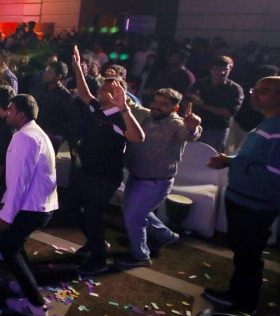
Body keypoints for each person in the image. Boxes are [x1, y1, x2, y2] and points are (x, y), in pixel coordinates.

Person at [203, 76, 280, 314]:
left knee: (249, 258)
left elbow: (273, 174)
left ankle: (243, 306)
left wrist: (236, 165)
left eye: (264, 91)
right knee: (242, 254)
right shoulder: (269, 122)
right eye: (255, 88)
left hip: (256, 205)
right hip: (242, 198)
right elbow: (254, 160)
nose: (255, 94)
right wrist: (229, 161)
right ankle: (235, 295)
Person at [69, 45, 145, 276]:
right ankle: (95, 242)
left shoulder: (121, 118)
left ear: (118, 96)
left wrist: (124, 109)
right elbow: (84, 93)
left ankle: (99, 257)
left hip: (104, 176)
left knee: (93, 214)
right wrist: (77, 68)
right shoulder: (97, 109)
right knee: (72, 207)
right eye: (103, 86)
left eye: (108, 89)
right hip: (86, 169)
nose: (101, 90)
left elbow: (138, 137)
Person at [116, 89, 202, 269]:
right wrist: (115, 84)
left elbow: (189, 135)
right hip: (137, 176)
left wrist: (192, 127)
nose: (157, 106)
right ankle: (166, 236)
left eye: (164, 104)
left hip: (155, 182)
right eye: (155, 101)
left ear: (175, 107)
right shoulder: (148, 115)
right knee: (137, 212)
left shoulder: (177, 124)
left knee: (133, 218)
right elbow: (129, 105)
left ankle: (141, 256)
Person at [0, 95, 59, 316]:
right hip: (38, 204)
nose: (6, 113)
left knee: (8, 248)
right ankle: (27, 284)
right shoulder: (34, 133)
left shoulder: (25, 137)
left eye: (10, 109)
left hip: (32, 207)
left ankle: (36, 305)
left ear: (21, 114)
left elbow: (19, 180)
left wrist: (6, 215)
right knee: (14, 245)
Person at [187, 55, 243, 152]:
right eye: (217, 69)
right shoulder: (200, 83)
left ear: (230, 69)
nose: (221, 72)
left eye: (225, 69)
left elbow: (229, 112)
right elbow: (187, 100)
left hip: (216, 130)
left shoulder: (234, 89)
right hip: (194, 127)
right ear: (211, 69)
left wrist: (202, 105)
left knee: (208, 158)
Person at [30, 61, 80, 153]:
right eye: (46, 71)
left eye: (49, 73)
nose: (46, 74)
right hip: (35, 133)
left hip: (52, 139)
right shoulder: (40, 88)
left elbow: (72, 119)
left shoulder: (64, 96)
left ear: (59, 76)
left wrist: (54, 133)